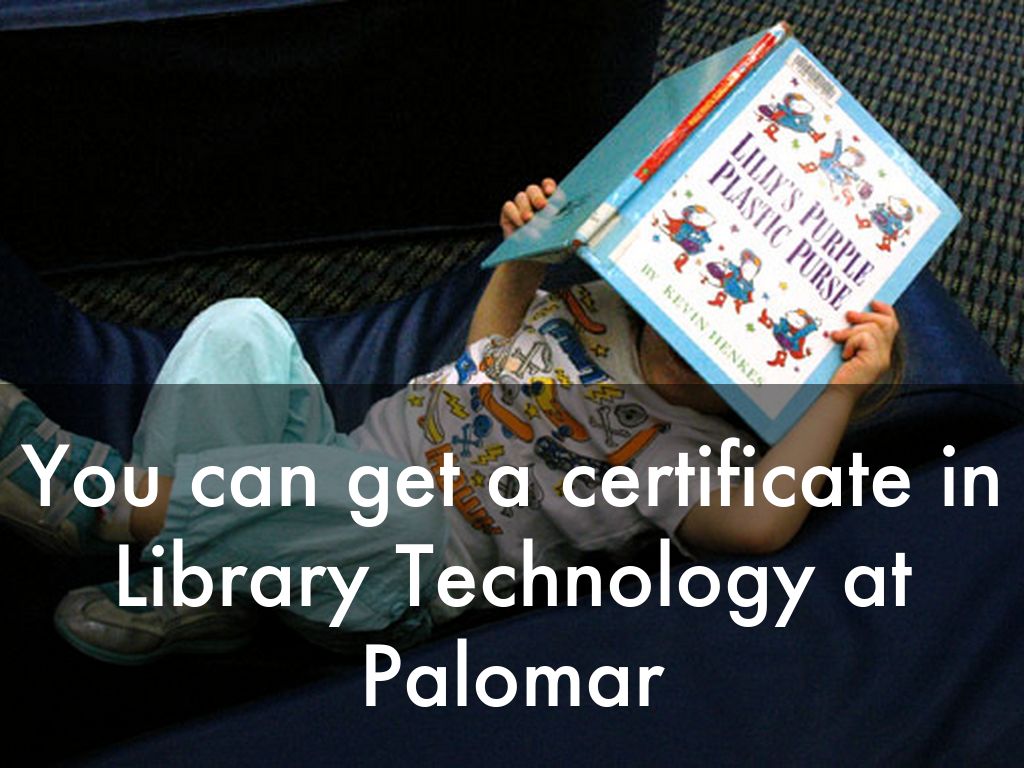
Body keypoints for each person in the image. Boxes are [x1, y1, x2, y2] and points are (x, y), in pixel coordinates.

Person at [0, 178, 900, 663]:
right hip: (332, 467)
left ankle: (98, 504)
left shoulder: (690, 452)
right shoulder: (597, 313)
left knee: (384, 508)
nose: (687, 354)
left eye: (728, 365)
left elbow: (755, 528)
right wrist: (523, 261)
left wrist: (837, 394)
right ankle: (205, 592)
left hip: (401, 578)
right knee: (243, 327)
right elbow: (483, 363)